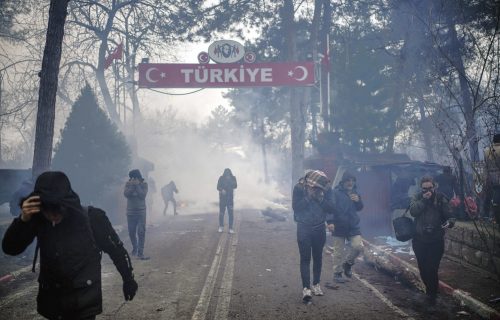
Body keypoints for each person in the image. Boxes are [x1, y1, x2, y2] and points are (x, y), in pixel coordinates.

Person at [2, 171, 138, 320]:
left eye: (58, 209)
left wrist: (128, 278)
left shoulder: (92, 218)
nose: (53, 215)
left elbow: (115, 250)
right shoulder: (38, 220)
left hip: (83, 303)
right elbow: (10, 248)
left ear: (67, 203)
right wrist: (23, 219)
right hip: (52, 304)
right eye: (48, 209)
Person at [410, 176, 455, 305]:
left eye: (430, 188)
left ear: (434, 187)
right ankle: (430, 291)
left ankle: (432, 295)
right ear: (421, 188)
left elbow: (450, 215)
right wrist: (424, 200)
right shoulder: (417, 197)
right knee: (423, 269)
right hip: (419, 240)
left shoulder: (441, 198)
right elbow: (413, 211)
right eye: (424, 189)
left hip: (436, 240)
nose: (427, 191)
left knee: (432, 268)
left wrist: (450, 222)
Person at [292, 170, 335, 302]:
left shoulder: (327, 189)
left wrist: (320, 199)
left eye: (316, 187)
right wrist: (308, 197)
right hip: (303, 227)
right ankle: (306, 288)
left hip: (319, 227)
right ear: (308, 182)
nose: (313, 188)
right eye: (312, 186)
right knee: (305, 259)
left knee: (317, 257)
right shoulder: (299, 187)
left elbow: (332, 208)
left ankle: (316, 284)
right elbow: (296, 208)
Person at [330, 171, 364, 284]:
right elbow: (330, 208)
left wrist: (358, 201)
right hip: (339, 225)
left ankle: (348, 264)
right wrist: (330, 222)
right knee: (338, 251)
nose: (350, 183)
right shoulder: (335, 192)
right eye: (348, 180)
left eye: (352, 181)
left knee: (358, 246)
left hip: (353, 225)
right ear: (343, 181)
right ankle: (337, 273)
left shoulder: (355, 192)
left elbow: (359, 208)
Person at [124, 169, 149, 260]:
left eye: (134, 177)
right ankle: (135, 248)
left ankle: (140, 252)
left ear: (138, 177)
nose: (132, 179)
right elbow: (126, 194)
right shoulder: (128, 184)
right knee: (131, 232)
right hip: (130, 212)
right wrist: (132, 186)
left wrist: (137, 185)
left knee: (141, 232)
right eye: (131, 178)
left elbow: (142, 195)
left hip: (141, 212)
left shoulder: (144, 184)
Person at [484, 133, 500, 227]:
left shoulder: (487, 150)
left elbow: (486, 165)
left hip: (491, 177)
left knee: (495, 196)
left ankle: (494, 216)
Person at [217, 168, 237, 233]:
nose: (227, 175)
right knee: (221, 213)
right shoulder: (221, 178)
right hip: (222, 199)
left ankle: (230, 228)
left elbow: (235, 186)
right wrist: (222, 189)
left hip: (230, 198)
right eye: (226, 174)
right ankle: (221, 226)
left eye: (228, 174)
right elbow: (218, 187)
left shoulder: (233, 178)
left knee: (231, 214)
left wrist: (231, 182)